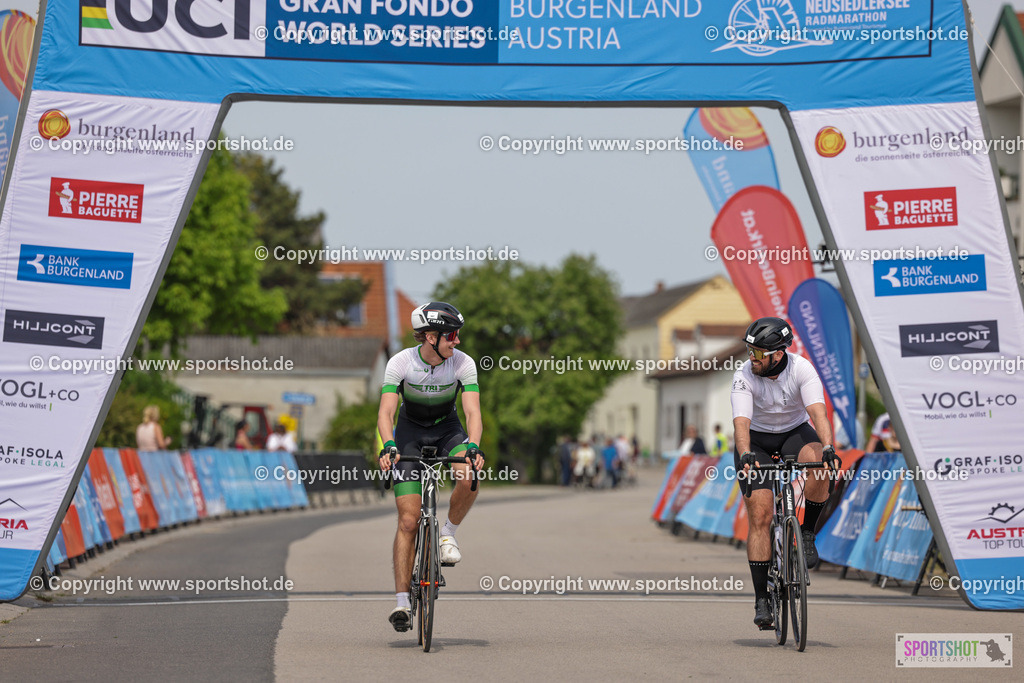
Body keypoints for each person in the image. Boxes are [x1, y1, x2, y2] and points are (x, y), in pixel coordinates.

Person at [377, 302, 484, 633]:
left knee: (468, 474)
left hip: (448, 428)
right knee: (408, 521)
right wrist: (389, 446)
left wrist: (474, 447)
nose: (457, 341)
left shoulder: (463, 363)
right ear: (430, 337)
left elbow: (472, 414)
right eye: (452, 335)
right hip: (408, 433)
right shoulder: (401, 362)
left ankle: (447, 533)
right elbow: (386, 413)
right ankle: (402, 603)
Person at [731, 317, 840, 630]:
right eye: (750, 350)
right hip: (756, 440)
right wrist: (746, 452)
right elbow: (740, 423)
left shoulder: (801, 369)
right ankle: (762, 598)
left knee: (820, 462)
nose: (752, 357)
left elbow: (817, 412)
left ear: (777, 355)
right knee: (762, 516)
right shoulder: (743, 375)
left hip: (794, 432)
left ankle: (806, 533)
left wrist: (829, 447)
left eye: (758, 353)